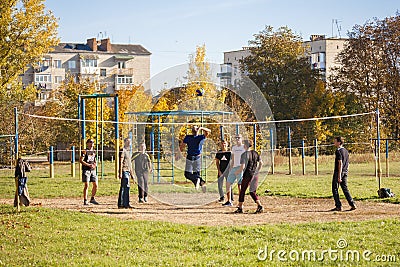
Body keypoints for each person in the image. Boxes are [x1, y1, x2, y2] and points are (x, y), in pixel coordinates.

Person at [234, 140, 263, 214]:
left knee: (242, 190)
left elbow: (243, 166)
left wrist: (237, 172)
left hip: (247, 174)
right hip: (255, 174)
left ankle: (240, 207)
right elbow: (261, 163)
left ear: (245, 146)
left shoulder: (244, 154)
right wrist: (257, 170)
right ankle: (259, 206)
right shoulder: (256, 153)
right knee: (252, 191)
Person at [179, 126, 211, 192]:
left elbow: (182, 147)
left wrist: (178, 154)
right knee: (192, 174)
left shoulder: (199, 137)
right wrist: (201, 128)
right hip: (193, 157)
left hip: (194, 157)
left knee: (188, 174)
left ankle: (200, 181)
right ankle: (201, 182)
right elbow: (208, 131)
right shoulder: (194, 137)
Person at [331, 136, 357, 211]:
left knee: (334, 188)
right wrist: (346, 171)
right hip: (345, 172)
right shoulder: (345, 151)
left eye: (335, 141)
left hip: (339, 172)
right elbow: (348, 162)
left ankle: (338, 206)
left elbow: (340, 163)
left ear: (339, 142)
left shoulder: (338, 151)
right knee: (345, 188)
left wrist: (339, 175)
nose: (334, 142)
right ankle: (352, 204)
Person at [222, 134, 245, 207]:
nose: (237, 139)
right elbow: (233, 158)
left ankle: (240, 203)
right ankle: (229, 201)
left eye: (239, 138)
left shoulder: (244, 147)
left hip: (241, 167)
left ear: (241, 139)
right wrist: (231, 167)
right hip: (234, 167)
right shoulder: (234, 148)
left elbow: (246, 158)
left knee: (239, 185)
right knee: (228, 183)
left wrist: (242, 168)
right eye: (236, 138)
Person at [79, 139, 99, 205]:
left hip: (93, 170)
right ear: (87, 143)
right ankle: (85, 200)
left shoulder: (94, 151)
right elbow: (81, 160)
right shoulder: (84, 151)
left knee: (95, 185)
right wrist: (88, 165)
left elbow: (95, 160)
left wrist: (95, 165)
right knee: (87, 184)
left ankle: (92, 198)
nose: (92, 143)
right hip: (86, 170)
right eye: (90, 142)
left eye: (93, 142)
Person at [118, 138, 135, 208]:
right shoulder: (123, 150)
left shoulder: (129, 152)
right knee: (125, 187)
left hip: (128, 170)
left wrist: (132, 174)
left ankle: (124, 203)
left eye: (130, 142)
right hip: (124, 170)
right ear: (124, 142)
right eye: (128, 142)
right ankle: (124, 203)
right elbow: (121, 161)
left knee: (125, 187)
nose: (129, 143)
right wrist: (120, 172)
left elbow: (130, 164)